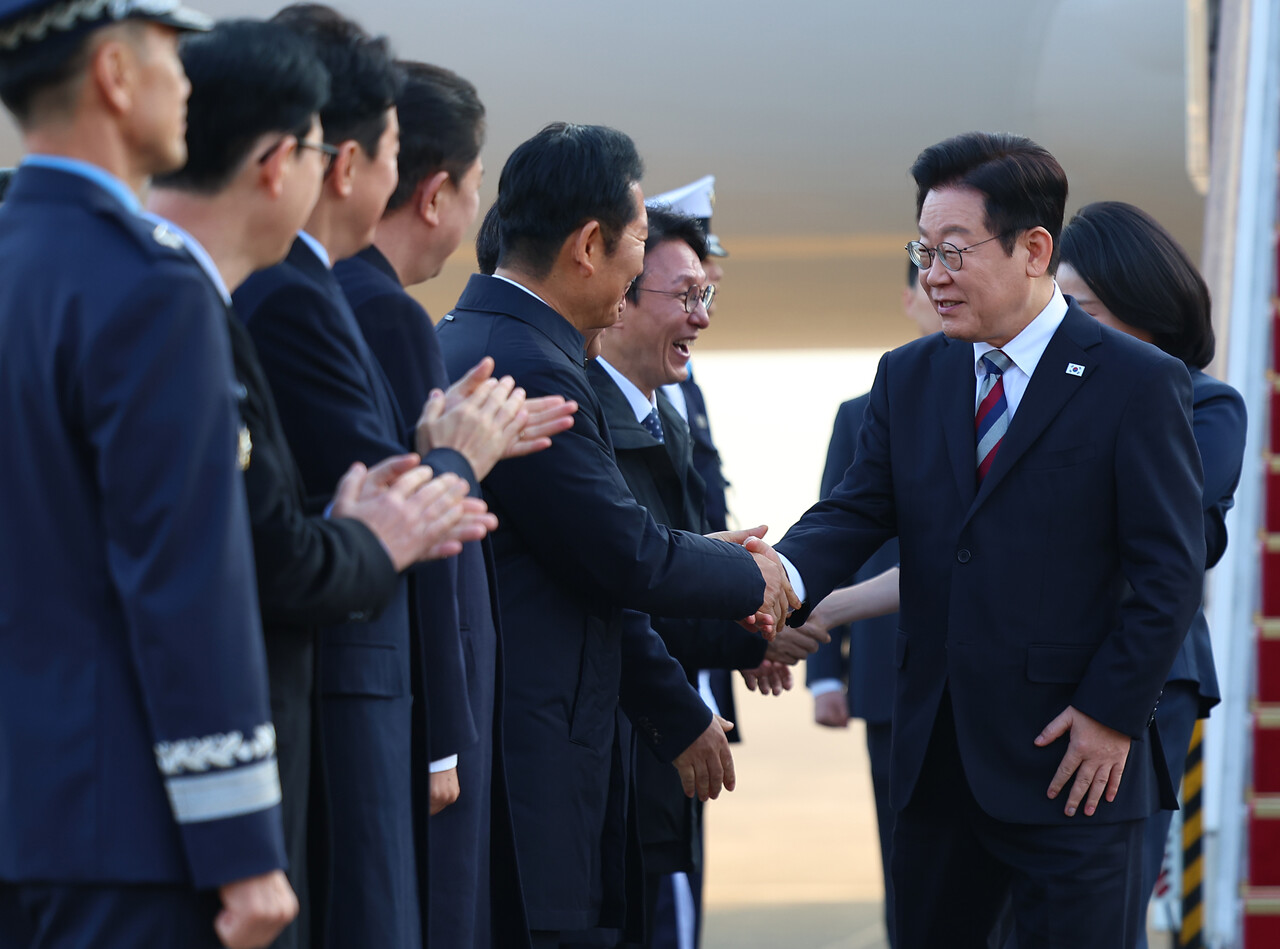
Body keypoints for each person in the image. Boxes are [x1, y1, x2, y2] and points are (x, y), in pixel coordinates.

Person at [773, 131, 1206, 948]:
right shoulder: (910, 375)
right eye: (922, 250)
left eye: (952, 250)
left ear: (1034, 249)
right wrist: (775, 578)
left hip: (1076, 764)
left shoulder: (1136, 381)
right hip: (939, 767)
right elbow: (853, 512)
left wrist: (1111, 715)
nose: (932, 274)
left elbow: (1169, 571)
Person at [147, 21, 498, 949]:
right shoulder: (252, 301)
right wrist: (432, 479)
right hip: (307, 723)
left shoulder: (240, 295)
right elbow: (247, 562)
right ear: (292, 163)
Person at [437, 122, 798, 948]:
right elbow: (621, 551)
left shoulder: (481, 334)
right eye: (637, 242)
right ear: (588, 245)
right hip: (532, 757)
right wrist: (755, 574)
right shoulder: (529, 362)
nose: (639, 266)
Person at [0, 2, 297, 947]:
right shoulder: (150, 285)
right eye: (172, 53)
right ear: (114, 76)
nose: (187, 80)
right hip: (129, 835)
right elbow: (184, 577)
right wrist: (243, 843)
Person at [232, 8, 526, 947]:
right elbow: (378, 506)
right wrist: (456, 457)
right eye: (389, 153)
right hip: (350, 692)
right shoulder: (296, 295)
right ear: (346, 163)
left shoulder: (313, 288)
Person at [332, 59, 573, 949]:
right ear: (436, 195)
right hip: (421, 699)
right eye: (474, 189)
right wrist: (445, 731)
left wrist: (475, 445)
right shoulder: (385, 312)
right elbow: (419, 521)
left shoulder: (354, 301)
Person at [591, 206, 816, 948]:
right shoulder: (583, 419)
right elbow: (627, 590)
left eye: (705, 295)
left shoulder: (665, 419)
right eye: (685, 295)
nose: (702, 316)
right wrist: (753, 620)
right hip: (615, 758)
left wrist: (758, 625)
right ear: (619, 295)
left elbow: (676, 579)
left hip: (654, 765)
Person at [1056, 200, 1246, 949]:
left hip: (1143, 679)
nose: (1061, 324)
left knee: (1108, 902)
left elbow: (1161, 543)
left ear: (1143, 308)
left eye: (1081, 308)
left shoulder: (1207, 404)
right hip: (1040, 668)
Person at [803, 259, 941, 949]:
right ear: (908, 299)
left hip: (989, 671)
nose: (943, 292)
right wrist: (823, 672)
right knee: (904, 852)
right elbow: (836, 533)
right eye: (929, 279)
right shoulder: (863, 412)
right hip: (889, 671)